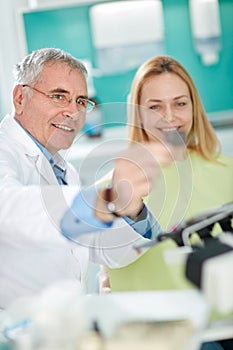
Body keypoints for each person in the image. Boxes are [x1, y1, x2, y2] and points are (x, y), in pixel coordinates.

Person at [0, 48, 181, 309]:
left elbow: (110, 250)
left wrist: (133, 208)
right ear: (20, 98)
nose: (73, 112)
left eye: (81, 101)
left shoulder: (63, 170)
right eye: (59, 96)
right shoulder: (6, 152)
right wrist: (105, 199)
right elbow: (9, 208)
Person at [98, 56, 233, 350]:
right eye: (155, 106)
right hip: (164, 336)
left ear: (194, 107)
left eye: (180, 103)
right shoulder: (115, 187)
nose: (169, 116)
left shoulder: (228, 171)